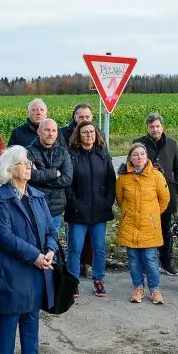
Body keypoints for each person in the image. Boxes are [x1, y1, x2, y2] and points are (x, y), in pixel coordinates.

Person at [0, 146, 58, 354]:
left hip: (38, 264)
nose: (29, 166)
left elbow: (50, 229)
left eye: (29, 163)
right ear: (10, 169)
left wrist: (50, 250)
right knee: (9, 315)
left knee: (31, 314)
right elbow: (3, 235)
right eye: (24, 163)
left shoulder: (37, 195)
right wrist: (34, 255)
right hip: (12, 266)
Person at [65, 121, 116, 299]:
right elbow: (67, 184)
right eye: (85, 132)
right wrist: (75, 204)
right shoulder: (71, 155)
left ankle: (99, 279)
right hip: (77, 211)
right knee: (75, 248)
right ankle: (72, 281)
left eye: (92, 132)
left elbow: (111, 179)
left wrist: (108, 201)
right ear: (79, 135)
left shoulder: (102, 154)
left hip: (99, 210)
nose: (89, 135)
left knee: (99, 248)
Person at [115, 143, 170, 304]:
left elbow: (164, 199)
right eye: (135, 154)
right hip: (130, 223)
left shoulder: (156, 176)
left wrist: (152, 214)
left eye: (142, 154)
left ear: (147, 157)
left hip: (149, 225)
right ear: (130, 158)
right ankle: (138, 288)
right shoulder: (123, 177)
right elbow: (119, 199)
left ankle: (155, 290)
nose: (139, 157)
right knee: (133, 258)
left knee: (150, 258)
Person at [133, 113, 178, 275]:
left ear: (162, 127)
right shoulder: (139, 143)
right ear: (147, 128)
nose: (155, 129)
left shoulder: (171, 143)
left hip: (167, 194)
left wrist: (176, 186)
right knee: (146, 229)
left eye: (157, 126)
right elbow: (132, 166)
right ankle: (144, 264)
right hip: (146, 195)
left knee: (165, 229)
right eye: (151, 127)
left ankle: (166, 261)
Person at [26, 117, 72, 236]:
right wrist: (54, 173)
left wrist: (40, 176)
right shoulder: (28, 152)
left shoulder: (63, 152)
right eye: (47, 130)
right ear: (39, 131)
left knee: (52, 246)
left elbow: (67, 179)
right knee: (37, 245)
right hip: (35, 208)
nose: (50, 134)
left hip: (55, 210)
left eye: (54, 130)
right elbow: (30, 176)